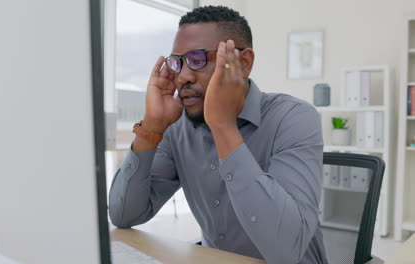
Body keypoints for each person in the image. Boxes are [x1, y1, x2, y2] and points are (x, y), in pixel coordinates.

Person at [109, 5, 328, 264]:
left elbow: (286, 251)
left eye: (197, 59)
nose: (182, 77)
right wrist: (150, 129)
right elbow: (124, 216)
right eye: (177, 63)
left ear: (243, 63)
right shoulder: (177, 126)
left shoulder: (294, 117)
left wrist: (223, 127)